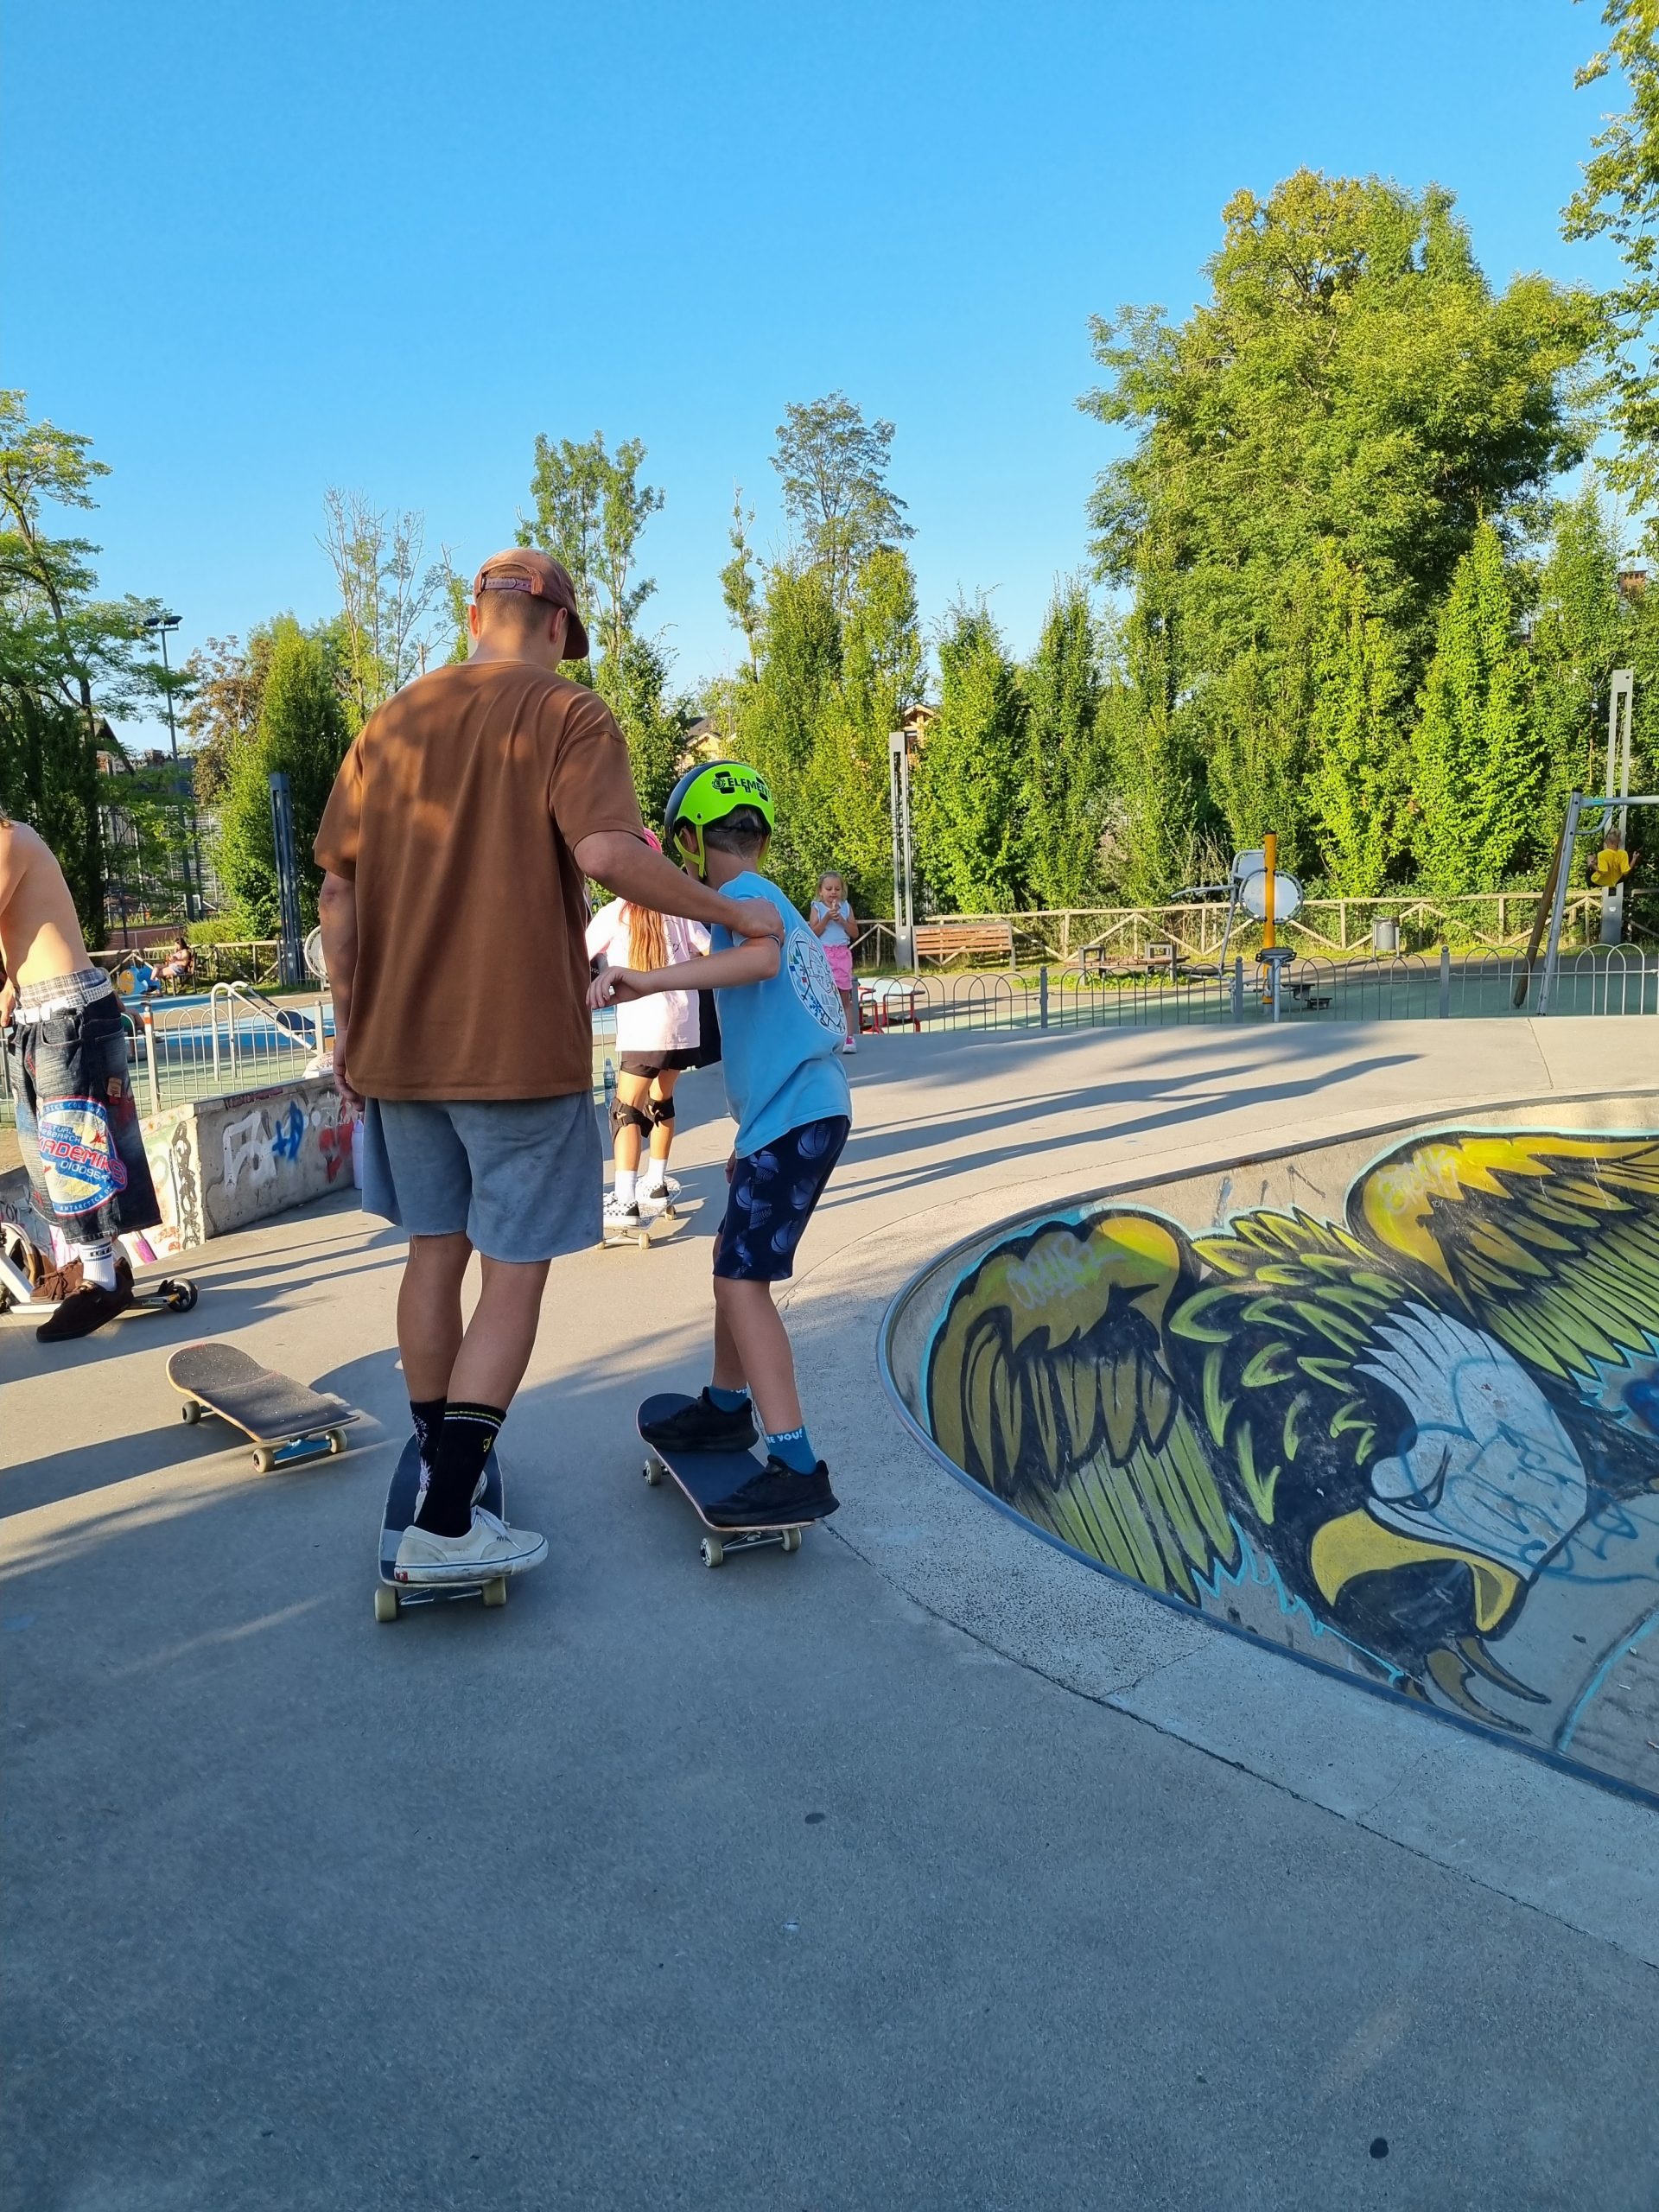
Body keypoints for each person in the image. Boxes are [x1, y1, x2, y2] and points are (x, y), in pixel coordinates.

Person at [313, 550, 786, 1591]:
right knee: (512, 1273)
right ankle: (446, 1518)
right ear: (562, 627)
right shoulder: (568, 714)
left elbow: (337, 899)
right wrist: (731, 910)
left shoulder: (387, 723)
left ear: (475, 612)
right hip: (513, 1051)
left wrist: (350, 1030)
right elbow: (610, 854)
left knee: (434, 1256)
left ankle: (443, 1461)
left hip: (396, 1050)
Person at [588, 760, 850, 1528]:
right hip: (792, 1113)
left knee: (744, 1283)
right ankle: (727, 1405)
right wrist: (751, 1135)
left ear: (693, 841)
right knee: (732, 1262)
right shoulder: (762, 894)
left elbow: (761, 957)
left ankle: (797, 1463)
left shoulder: (741, 898)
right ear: (759, 833)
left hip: (800, 1113)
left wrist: (650, 979)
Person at [0, 810, 163, 1340]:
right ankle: (105, 1262)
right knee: (49, 1152)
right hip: (39, 1015)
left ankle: (103, 1279)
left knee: (74, 1144)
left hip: (67, 1011)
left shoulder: (7, 838)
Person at [585, 830, 709, 1229]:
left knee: (625, 1109)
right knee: (662, 1100)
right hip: (684, 1024)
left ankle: (624, 1198)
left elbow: (577, 952)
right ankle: (655, 1182)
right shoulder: (679, 909)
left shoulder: (617, 912)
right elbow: (709, 951)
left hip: (643, 1027)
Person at [810, 871, 859, 1052]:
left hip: (842, 954)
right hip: (823, 955)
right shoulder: (817, 907)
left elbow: (854, 933)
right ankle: (826, 1037)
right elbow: (813, 932)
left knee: (844, 997)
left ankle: (849, 1038)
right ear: (820, 891)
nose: (833, 892)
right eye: (829, 889)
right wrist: (827, 918)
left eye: (837, 889)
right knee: (825, 998)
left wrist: (843, 922)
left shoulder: (846, 907)